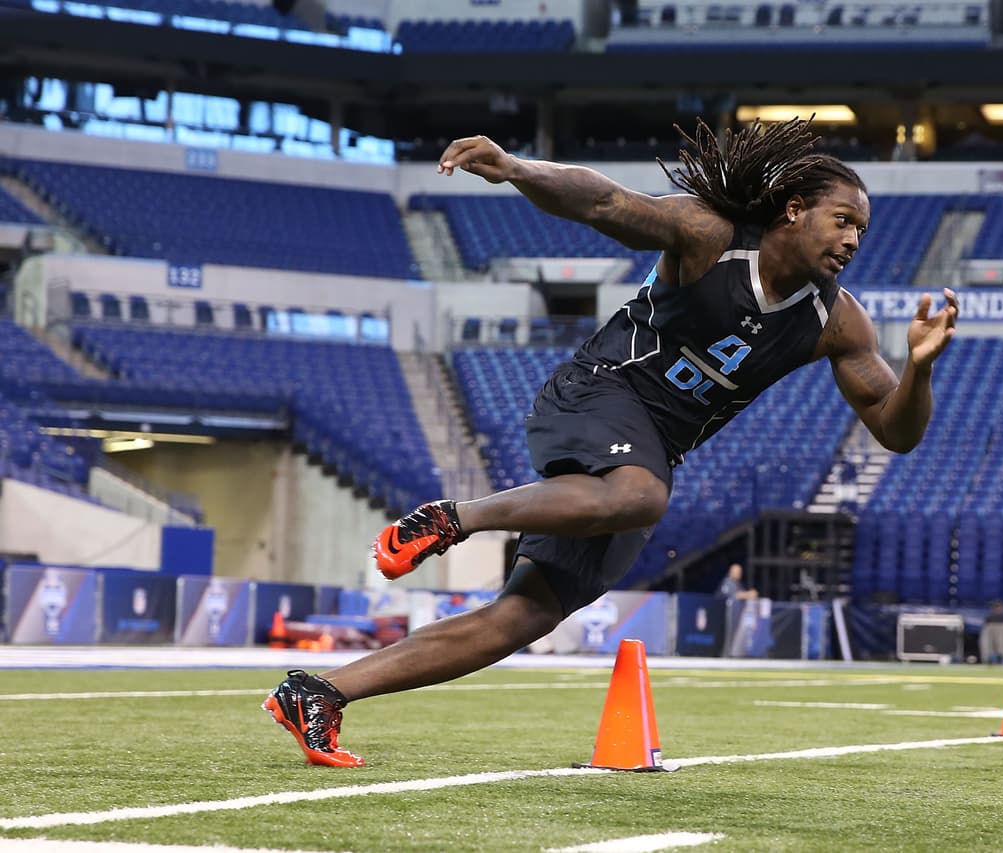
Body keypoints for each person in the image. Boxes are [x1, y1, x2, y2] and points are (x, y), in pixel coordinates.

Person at [262, 117, 961, 767]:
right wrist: (514, 167)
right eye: (844, 221)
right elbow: (604, 203)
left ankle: (321, 693)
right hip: (598, 392)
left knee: (524, 614)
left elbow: (894, 430)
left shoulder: (840, 324)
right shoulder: (711, 236)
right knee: (638, 495)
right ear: (793, 208)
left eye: (862, 233)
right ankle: (451, 519)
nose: (852, 242)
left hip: (649, 448)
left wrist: (920, 368)